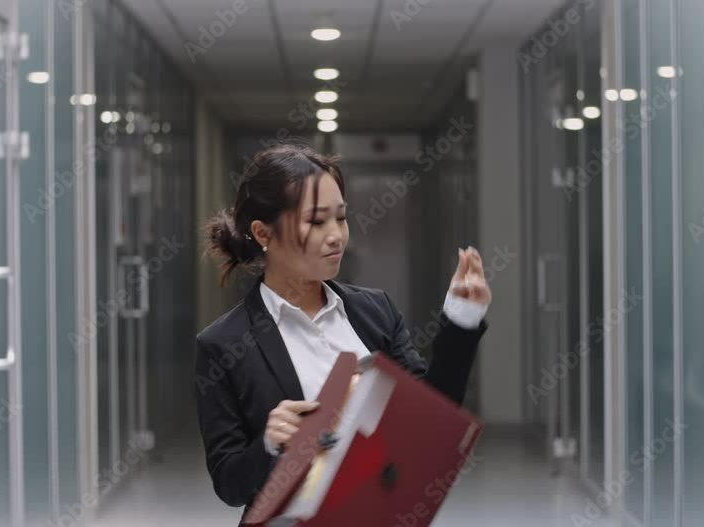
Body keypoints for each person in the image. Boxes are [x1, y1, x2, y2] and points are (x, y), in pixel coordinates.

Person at [195, 142, 492, 523]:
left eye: (341, 218)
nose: (336, 235)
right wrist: (269, 443)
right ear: (263, 233)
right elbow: (229, 483)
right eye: (317, 222)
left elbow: (431, 414)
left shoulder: (374, 311)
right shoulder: (223, 344)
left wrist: (462, 319)